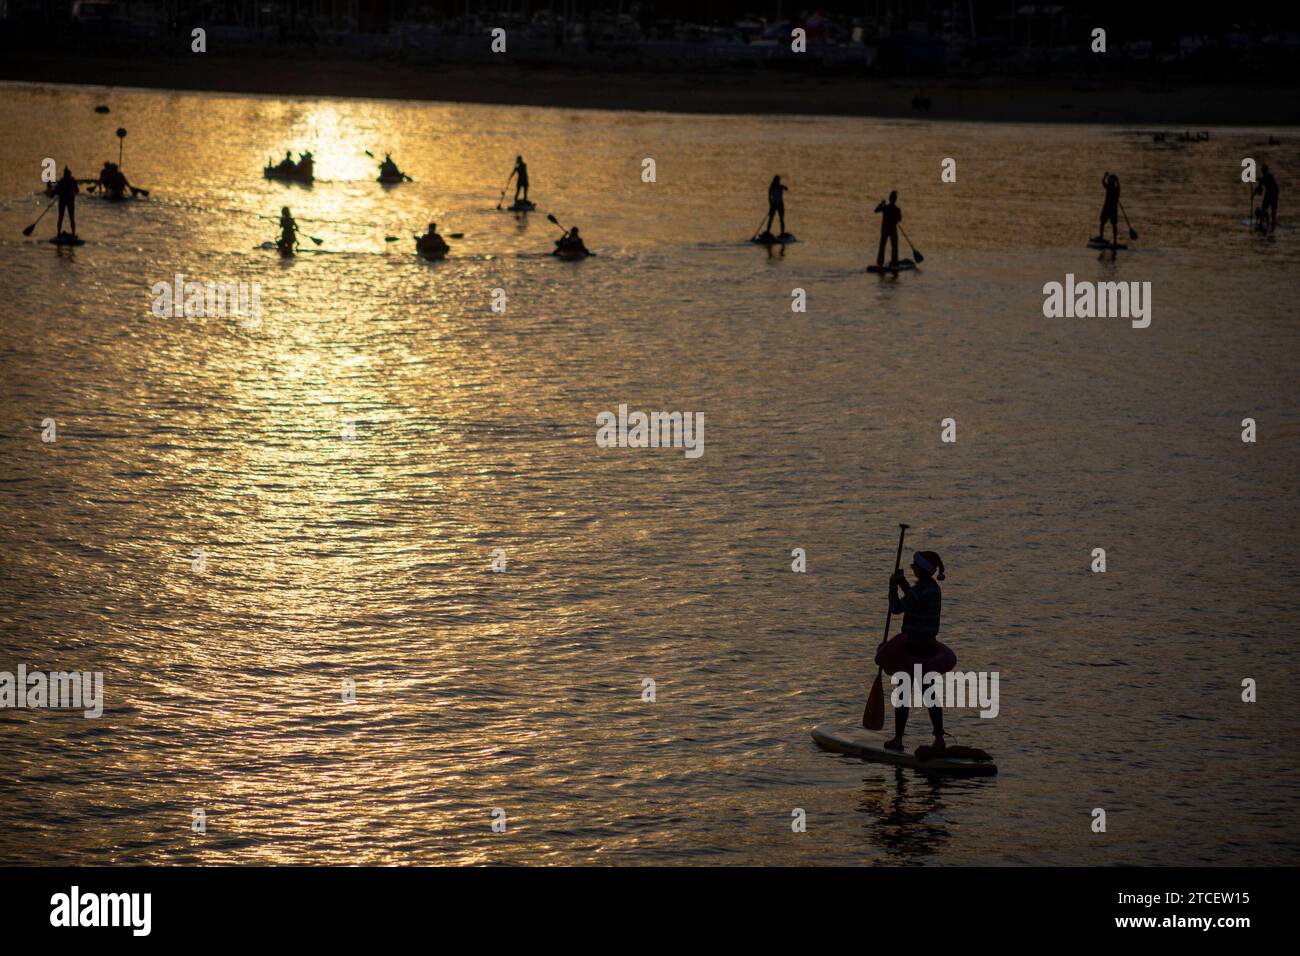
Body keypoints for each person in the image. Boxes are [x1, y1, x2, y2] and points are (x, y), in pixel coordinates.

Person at [876, 550, 955, 753]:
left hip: (913, 652)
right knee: (930, 693)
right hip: (928, 650)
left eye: (915, 566)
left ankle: (898, 740)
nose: (913, 568)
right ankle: (939, 739)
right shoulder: (933, 589)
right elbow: (914, 599)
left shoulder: (921, 591)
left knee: (903, 694)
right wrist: (903, 584)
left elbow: (897, 608)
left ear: (922, 569)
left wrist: (893, 588)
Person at [873, 190, 903, 267]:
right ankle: (894, 262)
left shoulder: (886, 208)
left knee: (883, 246)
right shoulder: (895, 209)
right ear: (895, 200)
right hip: (890, 230)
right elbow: (899, 219)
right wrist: (881, 204)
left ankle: (880, 262)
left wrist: (881, 204)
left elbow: (876, 210)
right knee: (893, 246)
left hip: (886, 230)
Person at [53, 166, 79, 237]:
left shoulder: (72, 181)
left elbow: (77, 191)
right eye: (65, 175)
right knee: (61, 217)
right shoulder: (62, 181)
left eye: (67, 174)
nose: (66, 176)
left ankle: (73, 233)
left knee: (71, 218)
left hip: (70, 201)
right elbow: (56, 191)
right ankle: (58, 233)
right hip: (63, 202)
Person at [1098, 172, 1121, 246]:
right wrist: (1105, 177)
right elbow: (1104, 182)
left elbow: (1103, 182)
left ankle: (1112, 239)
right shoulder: (1114, 187)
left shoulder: (1112, 187)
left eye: (1111, 180)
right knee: (1104, 223)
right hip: (1109, 209)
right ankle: (1105, 238)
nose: (1109, 180)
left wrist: (1105, 176)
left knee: (1109, 224)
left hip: (1110, 209)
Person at [1254, 164, 1278, 231]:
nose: (1263, 172)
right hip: (1271, 193)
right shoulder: (1266, 177)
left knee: (1270, 209)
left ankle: (1271, 222)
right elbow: (1259, 190)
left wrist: (1259, 180)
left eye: (1263, 171)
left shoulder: (1268, 177)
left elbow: (1260, 188)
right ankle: (1264, 222)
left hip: (1272, 194)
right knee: (1266, 208)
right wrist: (1253, 194)